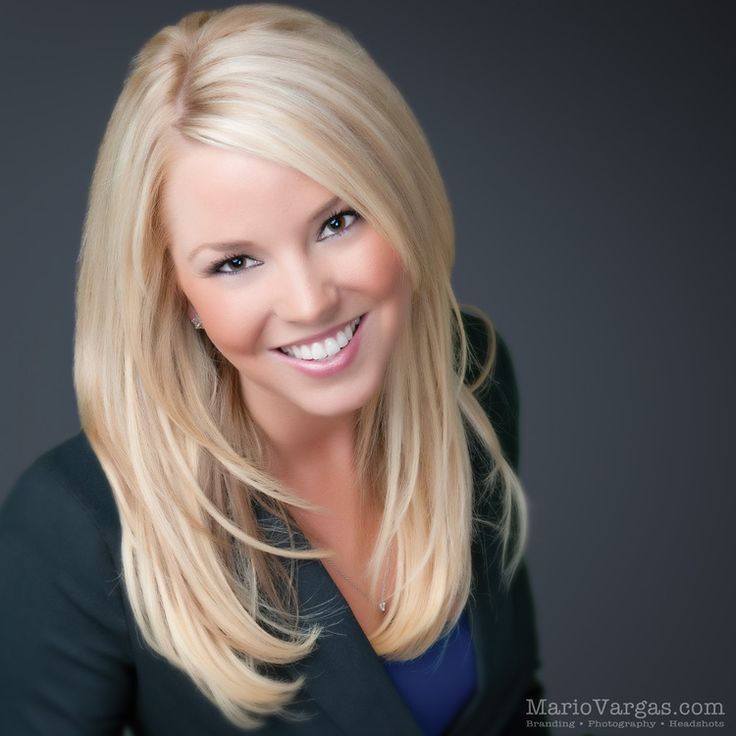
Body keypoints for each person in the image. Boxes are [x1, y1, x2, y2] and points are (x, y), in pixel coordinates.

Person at [0, 5, 547, 734]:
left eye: (338, 221)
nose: (309, 299)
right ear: (176, 292)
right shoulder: (75, 528)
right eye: (235, 262)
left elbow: (516, 702)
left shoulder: (472, 378)